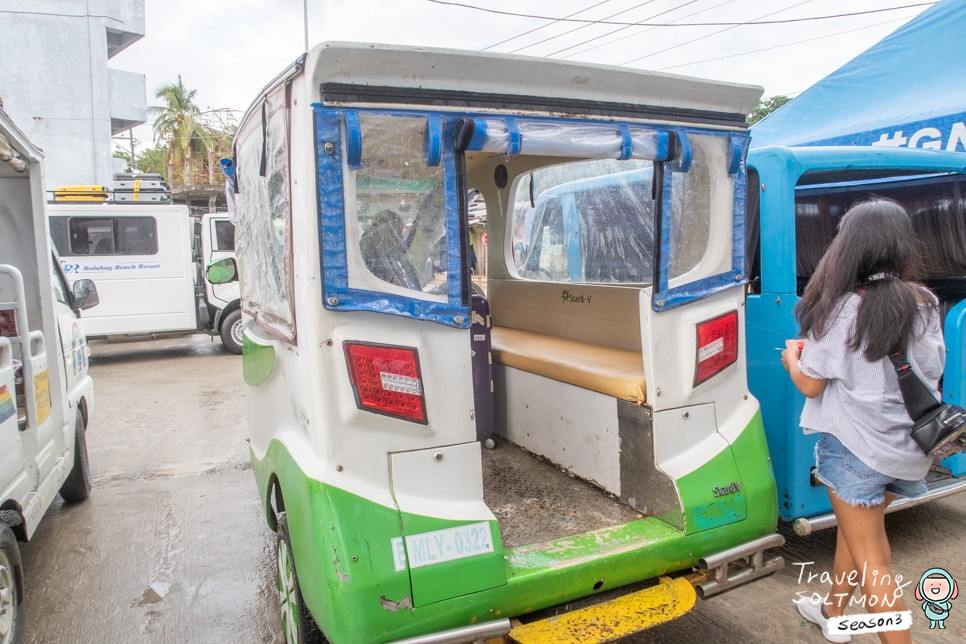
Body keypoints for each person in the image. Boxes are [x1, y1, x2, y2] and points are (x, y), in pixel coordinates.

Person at [781, 198, 944, 644]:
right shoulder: (925, 302)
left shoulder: (837, 310)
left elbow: (811, 385)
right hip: (906, 447)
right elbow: (929, 368)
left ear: (847, 246)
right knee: (856, 536)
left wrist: (791, 360)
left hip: (855, 449)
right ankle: (833, 613)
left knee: (875, 559)